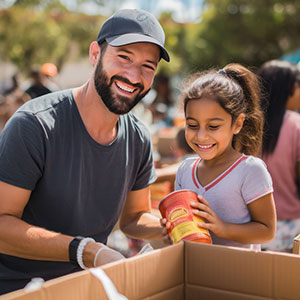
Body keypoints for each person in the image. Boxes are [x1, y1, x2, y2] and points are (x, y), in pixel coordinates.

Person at [0, 8, 170, 295]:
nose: (133, 75)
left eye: (147, 67)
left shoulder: (139, 138)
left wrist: (170, 225)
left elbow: (134, 217)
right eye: (124, 57)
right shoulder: (35, 124)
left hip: (89, 287)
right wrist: (85, 250)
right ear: (95, 54)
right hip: (20, 289)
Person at [173, 64, 276, 250]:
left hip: (239, 275)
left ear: (237, 124)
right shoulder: (184, 170)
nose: (201, 136)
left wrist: (223, 228)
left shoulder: (250, 171)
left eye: (213, 127)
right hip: (195, 271)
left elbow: (267, 230)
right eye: (192, 125)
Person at [257, 60, 300, 252]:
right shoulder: (296, 125)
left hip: (252, 228)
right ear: (288, 89)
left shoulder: (245, 125)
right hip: (291, 228)